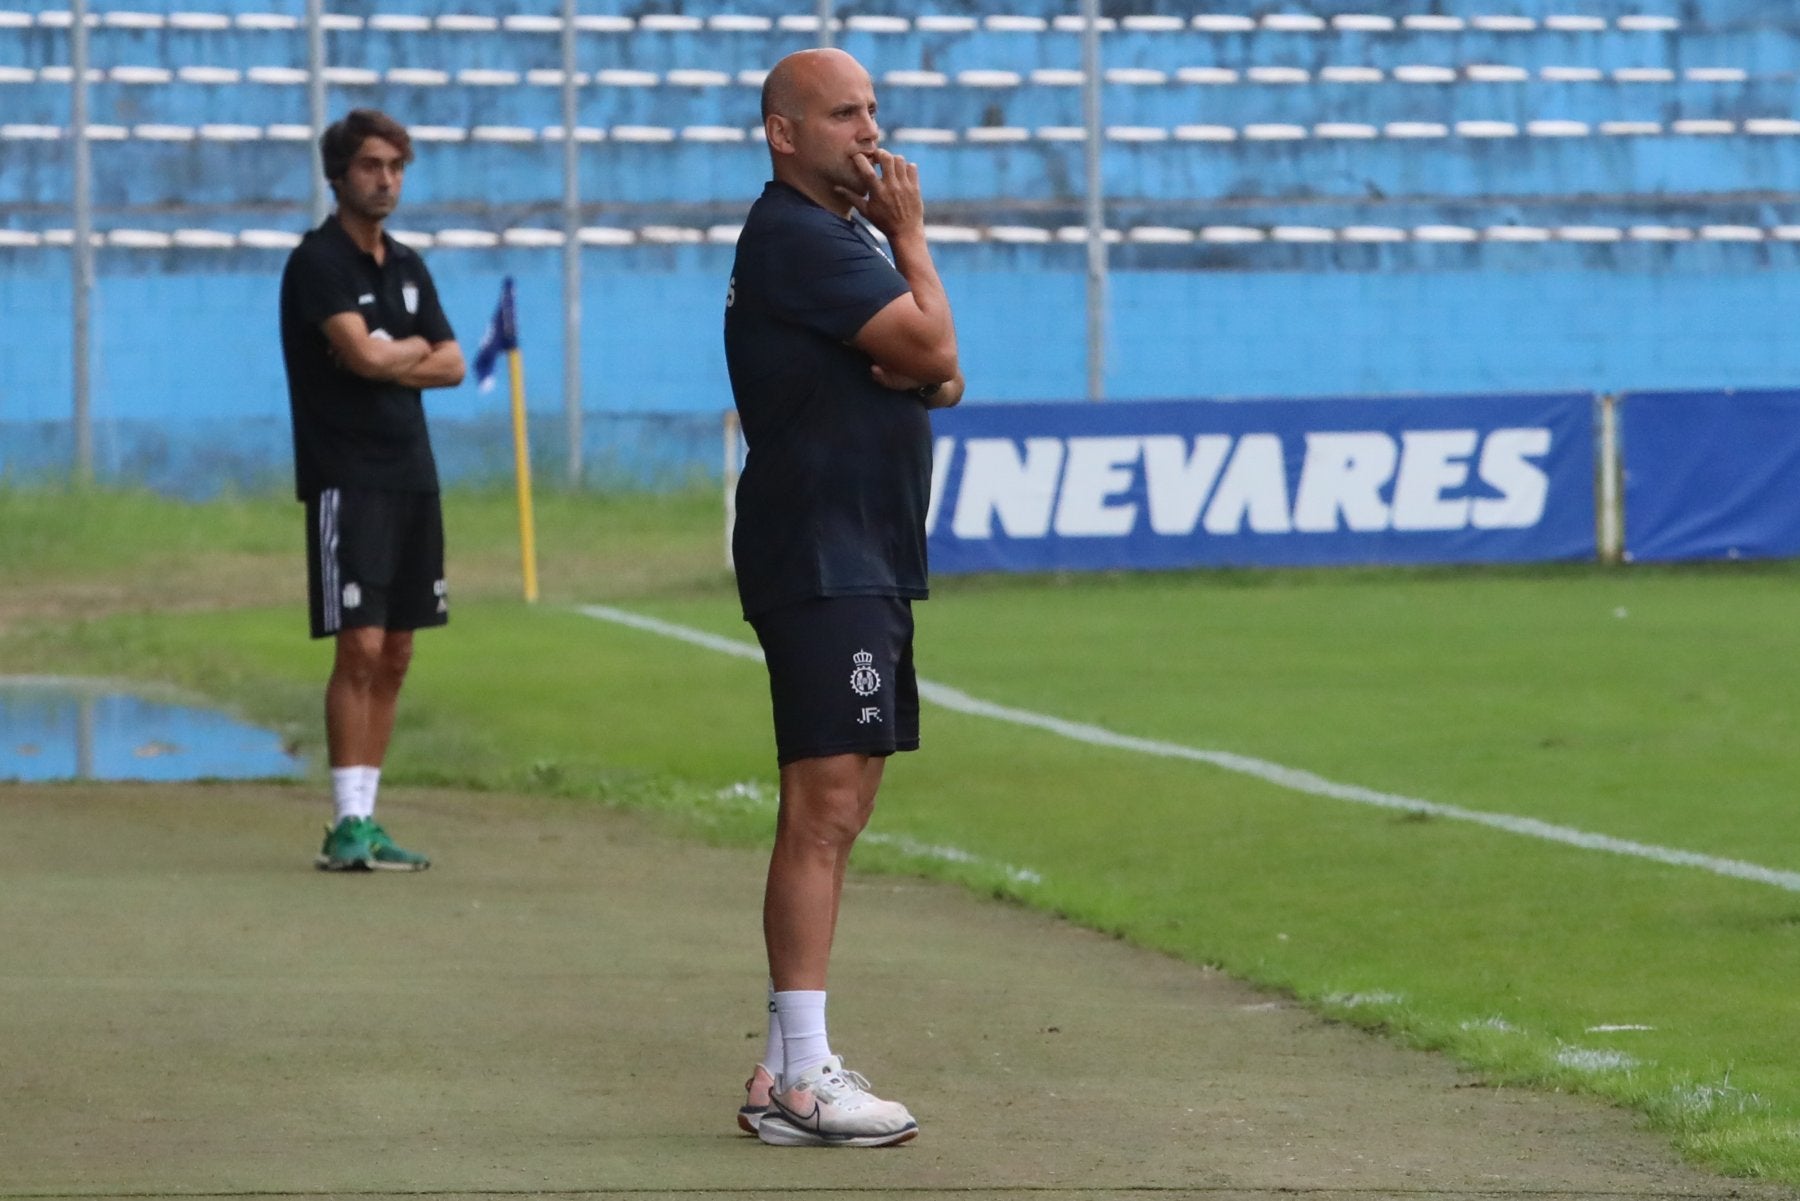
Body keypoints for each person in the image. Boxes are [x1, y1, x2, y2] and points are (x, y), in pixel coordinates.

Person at [724, 48, 965, 1149]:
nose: (871, 131)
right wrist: (914, 244)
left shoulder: (838, 238)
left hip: (861, 547)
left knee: (843, 804)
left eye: (873, 110)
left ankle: (781, 1070)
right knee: (822, 807)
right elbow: (933, 344)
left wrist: (922, 346)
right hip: (825, 551)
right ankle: (808, 1075)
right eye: (843, 114)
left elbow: (945, 375)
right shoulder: (801, 236)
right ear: (784, 133)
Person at [278, 109, 465, 871]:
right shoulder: (317, 261)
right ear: (338, 175)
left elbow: (454, 363)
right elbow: (358, 357)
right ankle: (345, 822)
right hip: (345, 477)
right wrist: (403, 352)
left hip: (412, 474)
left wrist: (401, 351)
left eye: (396, 166)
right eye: (371, 166)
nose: (386, 179)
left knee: (397, 650)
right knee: (357, 644)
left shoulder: (409, 266)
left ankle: (368, 814)